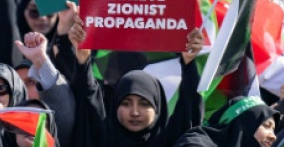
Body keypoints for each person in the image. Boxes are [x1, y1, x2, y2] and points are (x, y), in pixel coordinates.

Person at [68, 16, 205, 147]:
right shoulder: (102, 139)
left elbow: (190, 105)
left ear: (158, 107)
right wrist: (83, 59)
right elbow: (87, 98)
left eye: (144, 104)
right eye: (126, 103)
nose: (135, 112)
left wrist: (189, 64)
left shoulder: (173, 140)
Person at [172, 96, 279, 147]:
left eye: (274, 130)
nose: (273, 136)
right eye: (266, 125)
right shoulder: (196, 143)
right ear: (245, 123)